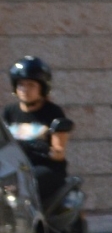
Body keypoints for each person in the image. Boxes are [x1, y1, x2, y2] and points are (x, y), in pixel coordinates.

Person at [8, 56, 72, 203]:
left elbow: (59, 153)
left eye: (31, 85)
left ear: (42, 88)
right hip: (14, 167)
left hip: (45, 168)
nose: (25, 89)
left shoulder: (53, 113)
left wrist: (40, 149)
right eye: (21, 85)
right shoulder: (8, 112)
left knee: (27, 181)